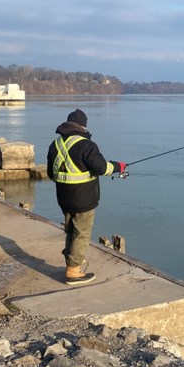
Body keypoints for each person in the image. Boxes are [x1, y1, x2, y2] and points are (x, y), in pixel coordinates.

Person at [47, 109, 126, 286]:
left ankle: (72, 260)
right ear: (83, 126)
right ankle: (73, 272)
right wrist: (117, 166)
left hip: (63, 197)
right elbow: (101, 168)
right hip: (83, 198)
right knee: (81, 233)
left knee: (70, 231)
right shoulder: (86, 145)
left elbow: (50, 173)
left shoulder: (56, 144)